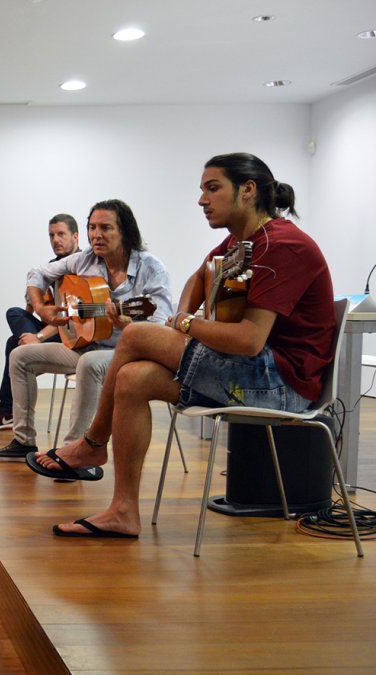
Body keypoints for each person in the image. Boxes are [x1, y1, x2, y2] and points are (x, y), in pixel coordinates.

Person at [36, 154, 335, 538]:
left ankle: (93, 443)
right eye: (202, 190)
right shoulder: (241, 240)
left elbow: (248, 340)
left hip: (282, 385)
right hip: (253, 371)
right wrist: (184, 317)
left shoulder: (283, 245)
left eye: (213, 188)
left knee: (136, 334)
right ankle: (123, 511)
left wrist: (188, 324)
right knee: (132, 377)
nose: (201, 200)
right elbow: (198, 275)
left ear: (247, 190)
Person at [0, 200, 173, 467]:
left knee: (89, 363)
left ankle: (74, 451)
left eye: (105, 227)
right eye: (92, 227)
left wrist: (127, 326)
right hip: (86, 344)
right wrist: (42, 308)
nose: (96, 235)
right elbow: (37, 272)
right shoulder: (86, 260)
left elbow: (159, 330)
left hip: (127, 354)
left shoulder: (151, 269)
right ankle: (23, 441)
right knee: (19, 355)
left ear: (125, 232)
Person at [0, 213, 81, 430]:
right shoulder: (52, 268)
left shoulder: (82, 269)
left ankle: (7, 410)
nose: (55, 240)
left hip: (74, 335)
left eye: (61, 234)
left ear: (76, 237)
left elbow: (69, 317)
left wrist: (39, 336)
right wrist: (26, 328)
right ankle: (8, 410)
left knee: (13, 344)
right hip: (53, 328)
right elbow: (32, 308)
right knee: (14, 315)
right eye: (51, 235)